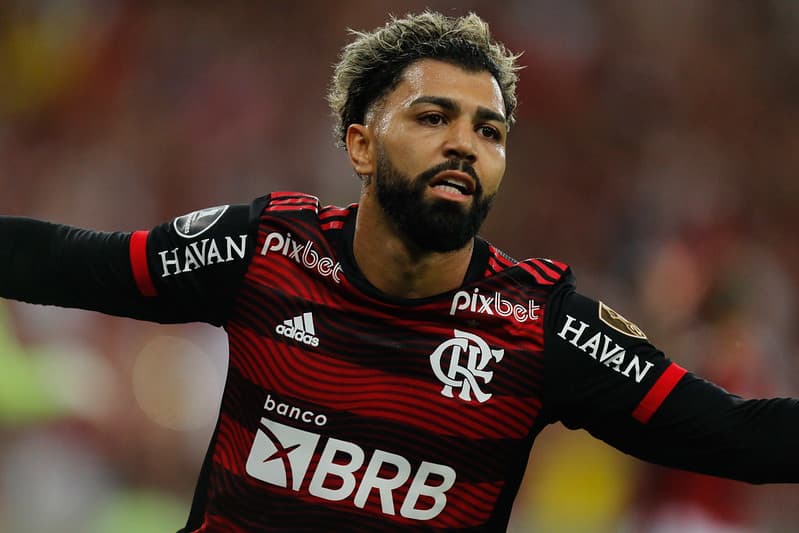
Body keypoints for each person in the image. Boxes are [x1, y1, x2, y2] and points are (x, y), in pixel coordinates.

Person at [1, 10, 798, 532]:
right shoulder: (267, 250)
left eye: (488, 131)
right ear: (359, 144)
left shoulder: (538, 327)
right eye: (432, 117)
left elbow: (736, 434)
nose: (464, 145)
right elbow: (69, 263)